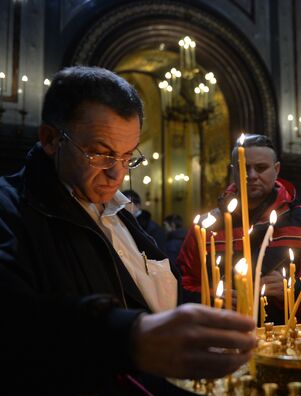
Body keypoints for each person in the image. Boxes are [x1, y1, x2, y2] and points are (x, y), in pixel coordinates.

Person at [0, 66, 255, 394]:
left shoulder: (126, 216)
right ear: (50, 139)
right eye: (100, 154)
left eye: (127, 156)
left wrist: (210, 306)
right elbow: (17, 319)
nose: (116, 174)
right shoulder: (13, 210)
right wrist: (129, 337)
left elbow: (152, 293)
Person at [178, 134, 301, 324]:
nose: (251, 176)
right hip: (222, 336)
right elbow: (182, 284)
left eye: (260, 168)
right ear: (234, 171)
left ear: (276, 170)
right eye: (244, 168)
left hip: (287, 341)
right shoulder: (206, 226)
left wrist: (293, 289)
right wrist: (211, 296)